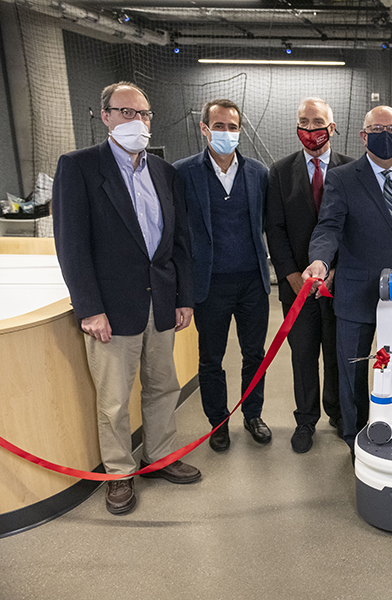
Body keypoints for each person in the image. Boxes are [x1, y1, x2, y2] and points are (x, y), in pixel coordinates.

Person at [52, 81, 200, 515]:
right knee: (115, 398)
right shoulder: (79, 168)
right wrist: (89, 308)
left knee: (162, 385)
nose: (138, 122)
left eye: (144, 114)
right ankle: (119, 474)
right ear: (106, 116)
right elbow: (72, 245)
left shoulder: (163, 172)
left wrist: (183, 297)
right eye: (127, 112)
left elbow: (179, 243)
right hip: (111, 310)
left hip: (161, 303)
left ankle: (160, 457)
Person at [302, 105, 392, 455]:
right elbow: (328, 227)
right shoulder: (343, 177)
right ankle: (357, 440)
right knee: (354, 372)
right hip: (357, 295)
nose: (385, 135)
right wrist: (319, 261)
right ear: (363, 136)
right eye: (377, 129)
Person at [174, 99, 271, 453]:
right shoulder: (183, 173)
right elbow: (176, 234)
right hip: (209, 283)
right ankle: (218, 422)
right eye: (219, 126)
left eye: (232, 127)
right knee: (211, 358)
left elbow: (265, 222)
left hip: (252, 283)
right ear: (204, 128)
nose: (226, 133)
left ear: (240, 131)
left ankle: (253, 414)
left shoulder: (259, 173)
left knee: (254, 354)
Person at [267, 98, 352, 454]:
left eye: (318, 122)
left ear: (331, 127)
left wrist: (334, 272)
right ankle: (306, 419)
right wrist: (291, 276)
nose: (311, 128)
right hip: (296, 287)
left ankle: (338, 411)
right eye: (304, 121)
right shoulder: (280, 172)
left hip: (338, 284)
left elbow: (353, 229)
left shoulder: (351, 170)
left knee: (337, 352)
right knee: (303, 354)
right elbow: (275, 229)